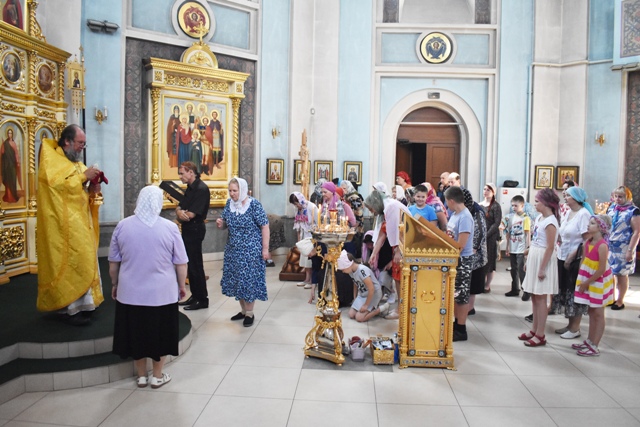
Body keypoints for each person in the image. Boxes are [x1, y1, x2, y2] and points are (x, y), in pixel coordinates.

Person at [110, 185, 188, 389]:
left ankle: (142, 376)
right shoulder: (170, 227)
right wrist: (181, 286)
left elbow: (113, 263)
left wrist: (115, 284)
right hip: (162, 293)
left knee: (136, 333)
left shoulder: (123, 226)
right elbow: (181, 263)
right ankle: (157, 376)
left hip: (130, 293)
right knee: (160, 334)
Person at [36, 124, 104, 326]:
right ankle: (70, 309)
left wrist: (93, 188)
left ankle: (86, 304)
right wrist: (84, 177)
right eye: (80, 142)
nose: (82, 146)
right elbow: (57, 186)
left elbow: (81, 191)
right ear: (67, 141)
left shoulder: (76, 163)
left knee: (83, 260)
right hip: (61, 227)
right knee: (70, 263)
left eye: (84, 143)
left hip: (80, 223)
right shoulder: (52, 160)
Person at [217, 177, 270, 327]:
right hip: (233, 249)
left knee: (248, 281)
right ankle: (243, 310)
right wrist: (221, 224)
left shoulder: (254, 205)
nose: (232, 193)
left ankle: (250, 313)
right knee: (237, 280)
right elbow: (226, 224)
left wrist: (265, 249)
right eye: (230, 190)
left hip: (250, 250)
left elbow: (265, 226)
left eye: (235, 190)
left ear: (242, 190)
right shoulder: (229, 204)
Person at [518, 189, 560, 347]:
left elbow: (550, 247)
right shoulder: (540, 218)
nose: (534, 204)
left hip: (544, 260)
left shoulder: (551, 222)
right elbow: (536, 240)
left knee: (541, 298)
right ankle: (534, 330)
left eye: (537, 201)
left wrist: (542, 268)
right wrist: (528, 259)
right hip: (535, 257)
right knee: (535, 297)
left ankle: (541, 334)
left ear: (547, 203)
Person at [571, 215, 614, 357]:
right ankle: (590, 340)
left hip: (598, 281)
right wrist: (581, 279)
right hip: (588, 279)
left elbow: (601, 269)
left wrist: (586, 282)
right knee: (591, 311)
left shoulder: (602, 246)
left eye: (592, 223)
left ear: (601, 227)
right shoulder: (587, 243)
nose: (588, 225)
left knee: (598, 313)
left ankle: (595, 345)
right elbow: (584, 261)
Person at [553, 186, 592, 338]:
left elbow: (587, 240)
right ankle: (570, 325)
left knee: (573, 293)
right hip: (562, 255)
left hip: (575, 259)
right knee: (565, 291)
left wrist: (573, 255)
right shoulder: (568, 212)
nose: (565, 197)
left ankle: (575, 328)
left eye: (568, 195)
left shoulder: (583, 214)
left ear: (576, 198)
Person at [175, 161, 210, 311]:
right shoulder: (190, 188)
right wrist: (179, 212)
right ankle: (195, 296)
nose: (180, 177)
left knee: (196, 265)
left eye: (182, 173)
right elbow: (180, 207)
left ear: (191, 172)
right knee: (190, 265)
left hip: (195, 229)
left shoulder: (201, 189)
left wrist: (181, 214)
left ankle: (202, 299)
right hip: (188, 229)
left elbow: (190, 214)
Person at [444, 186, 474, 341]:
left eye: (446, 201)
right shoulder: (455, 214)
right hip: (454, 259)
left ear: (451, 200)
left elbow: (460, 245)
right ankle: (455, 324)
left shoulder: (465, 217)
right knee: (455, 295)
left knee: (461, 296)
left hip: (462, 260)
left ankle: (461, 329)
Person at [606, 186, 640, 310]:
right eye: (616, 196)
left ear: (627, 197)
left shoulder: (633, 211)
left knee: (621, 274)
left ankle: (620, 300)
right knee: (610, 273)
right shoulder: (612, 208)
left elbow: (637, 232)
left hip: (624, 246)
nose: (617, 199)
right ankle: (611, 297)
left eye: (620, 197)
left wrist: (630, 250)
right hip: (610, 245)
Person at [337, 251, 388, 322]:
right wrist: (355, 297)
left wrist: (366, 305)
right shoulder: (351, 271)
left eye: (343, 270)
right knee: (351, 314)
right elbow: (355, 283)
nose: (343, 272)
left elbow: (371, 289)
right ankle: (371, 308)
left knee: (359, 318)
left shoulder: (362, 270)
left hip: (373, 294)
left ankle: (381, 308)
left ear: (348, 265)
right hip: (363, 294)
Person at [464, 188, 488, 316]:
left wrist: (473, 248)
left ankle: (470, 307)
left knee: (473, 281)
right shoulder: (467, 209)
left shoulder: (477, 211)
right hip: (468, 250)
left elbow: (480, 231)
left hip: (476, 252)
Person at [503, 195, 531, 298]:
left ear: (522, 205)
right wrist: (507, 247)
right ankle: (515, 289)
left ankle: (526, 290)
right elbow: (508, 233)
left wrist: (528, 248)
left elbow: (528, 234)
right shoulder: (510, 218)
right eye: (512, 205)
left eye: (516, 205)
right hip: (512, 247)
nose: (514, 207)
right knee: (513, 269)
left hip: (521, 248)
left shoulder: (525, 218)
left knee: (521, 269)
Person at [289, 192, 317, 288]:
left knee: (310, 259)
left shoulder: (311, 207)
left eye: (297, 203)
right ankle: (306, 279)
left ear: (301, 200)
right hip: (303, 236)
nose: (296, 206)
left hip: (311, 236)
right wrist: (298, 240)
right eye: (294, 204)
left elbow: (318, 221)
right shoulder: (297, 209)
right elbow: (297, 224)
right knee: (304, 259)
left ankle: (312, 280)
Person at [479, 183, 502, 293]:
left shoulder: (496, 206)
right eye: (484, 189)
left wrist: (487, 234)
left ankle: (487, 285)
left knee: (489, 262)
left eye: (488, 190)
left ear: (493, 192)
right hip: (481, 236)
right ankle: (480, 282)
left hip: (491, 237)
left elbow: (496, 223)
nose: (486, 191)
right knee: (481, 260)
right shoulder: (480, 205)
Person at [1, 128, 21, 203]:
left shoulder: (13, 143)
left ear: (12, 134)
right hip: (6, 165)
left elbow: (16, 153)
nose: (10, 134)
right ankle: (8, 197)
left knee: (12, 180)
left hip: (12, 165)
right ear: (7, 134)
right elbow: (2, 153)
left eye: (11, 133)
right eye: (8, 133)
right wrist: (3, 148)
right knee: (8, 180)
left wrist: (17, 161)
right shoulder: (5, 143)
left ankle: (13, 196)